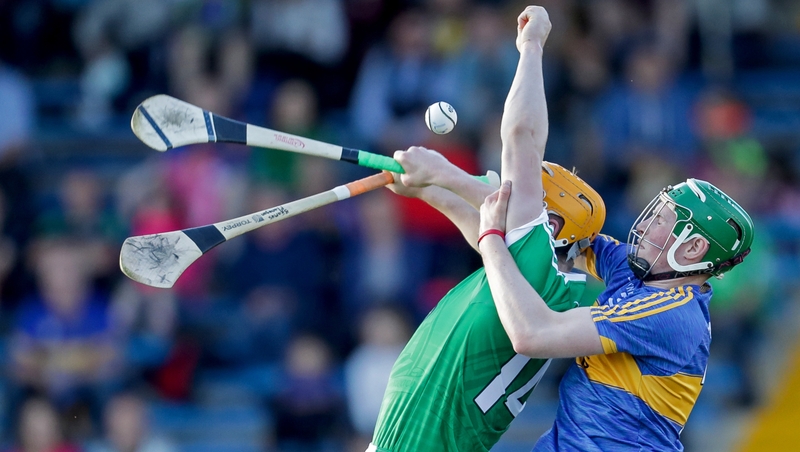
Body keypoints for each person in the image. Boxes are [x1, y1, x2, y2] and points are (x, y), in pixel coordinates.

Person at [475, 12, 755, 451]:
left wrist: (490, 241)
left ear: (694, 246)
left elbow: (533, 335)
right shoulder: (641, 273)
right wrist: (441, 180)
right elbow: (558, 231)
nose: (649, 220)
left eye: (666, 218)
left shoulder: (670, 312)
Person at [367, 6, 605, 451]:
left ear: (550, 224)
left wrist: (531, 46)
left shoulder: (538, 266)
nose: (514, 183)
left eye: (532, 190)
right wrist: (425, 189)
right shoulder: (538, 276)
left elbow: (521, 138)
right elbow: (479, 221)